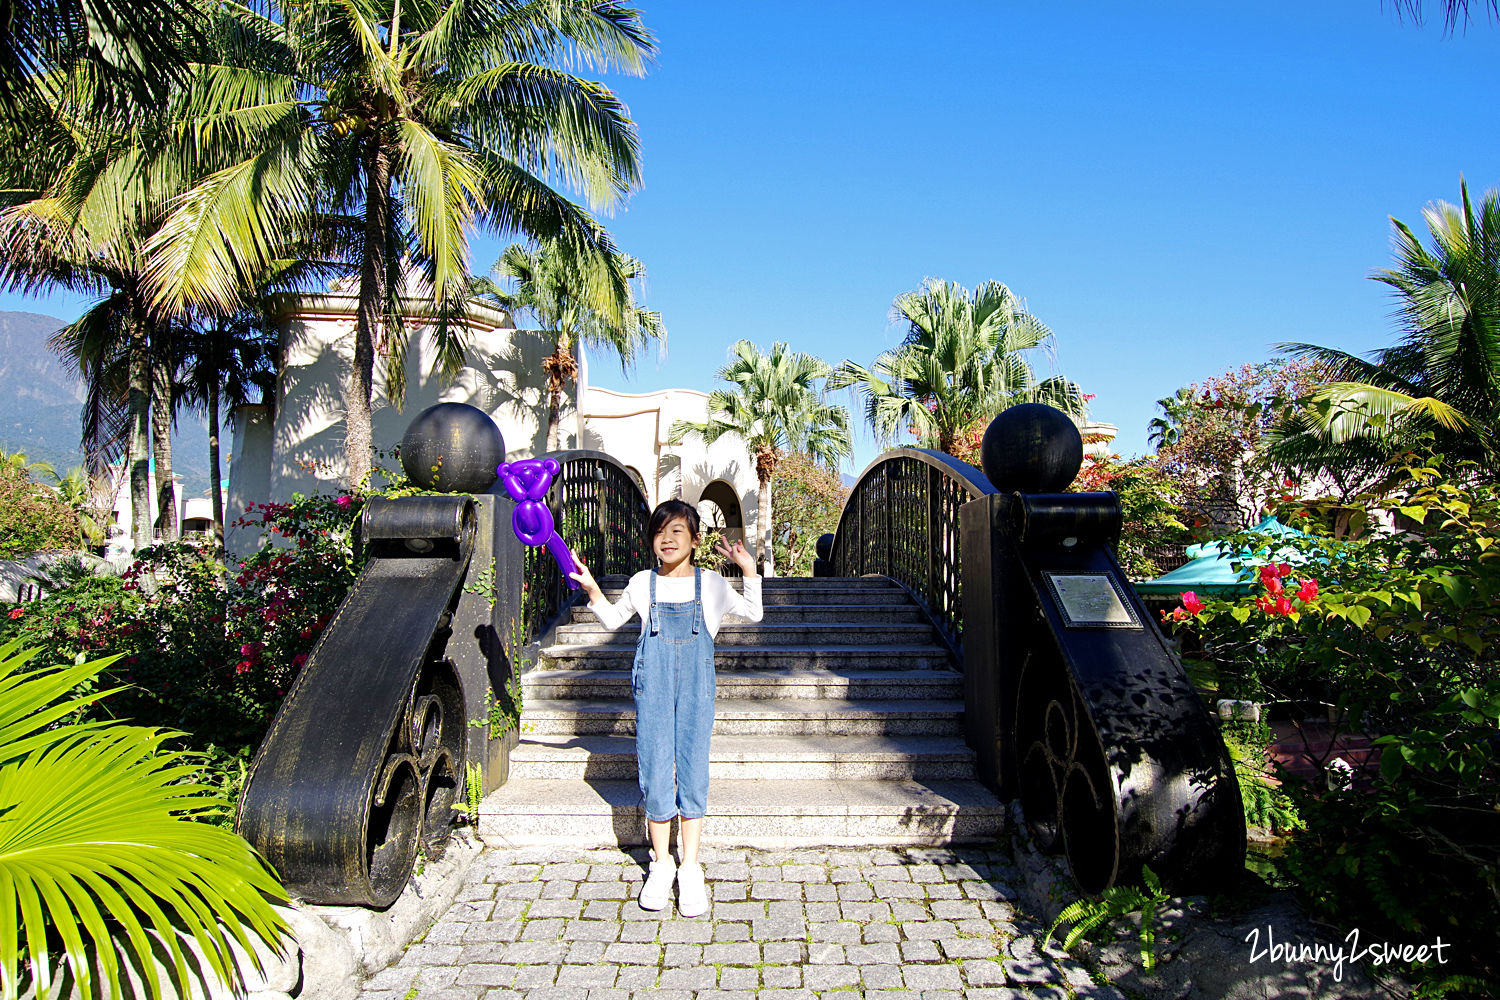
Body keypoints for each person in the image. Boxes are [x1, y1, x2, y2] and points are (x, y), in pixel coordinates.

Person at [569, 499, 761, 917]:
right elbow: (612, 620)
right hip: (652, 686)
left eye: (678, 531)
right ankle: (662, 863)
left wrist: (748, 572)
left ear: (695, 539)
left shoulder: (711, 584)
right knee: (655, 767)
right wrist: (592, 589)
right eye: (660, 531)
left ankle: (691, 867)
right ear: (652, 541)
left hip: (696, 687)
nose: (668, 539)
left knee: (692, 768)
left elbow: (753, 613)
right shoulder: (642, 583)